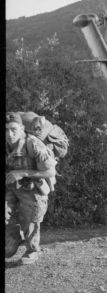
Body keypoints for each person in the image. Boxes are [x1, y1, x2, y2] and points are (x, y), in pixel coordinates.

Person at [5, 112, 57, 265]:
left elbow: (50, 171)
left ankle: (32, 250)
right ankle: (14, 237)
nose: (9, 134)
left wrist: (22, 173)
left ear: (21, 128)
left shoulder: (32, 144)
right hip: (11, 187)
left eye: (13, 129)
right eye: (6, 130)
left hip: (32, 188)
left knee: (31, 219)